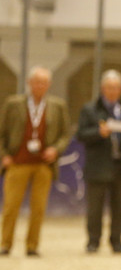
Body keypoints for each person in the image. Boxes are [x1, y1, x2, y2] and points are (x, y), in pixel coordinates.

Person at [0, 67, 71, 257]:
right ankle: (5, 244)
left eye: (44, 82)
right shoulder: (13, 104)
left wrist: (55, 149)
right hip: (17, 162)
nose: (40, 86)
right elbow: (2, 132)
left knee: (39, 207)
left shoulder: (57, 106)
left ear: (49, 85)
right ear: (29, 83)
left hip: (43, 165)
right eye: (37, 82)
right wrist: (4, 154)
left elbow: (65, 134)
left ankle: (32, 246)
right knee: (11, 206)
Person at [76, 70, 121, 254]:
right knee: (95, 207)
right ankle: (93, 242)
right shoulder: (90, 110)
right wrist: (99, 133)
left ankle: (117, 242)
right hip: (98, 166)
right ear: (102, 89)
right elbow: (81, 135)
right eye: (109, 88)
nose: (113, 91)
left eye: (116, 88)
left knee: (118, 207)